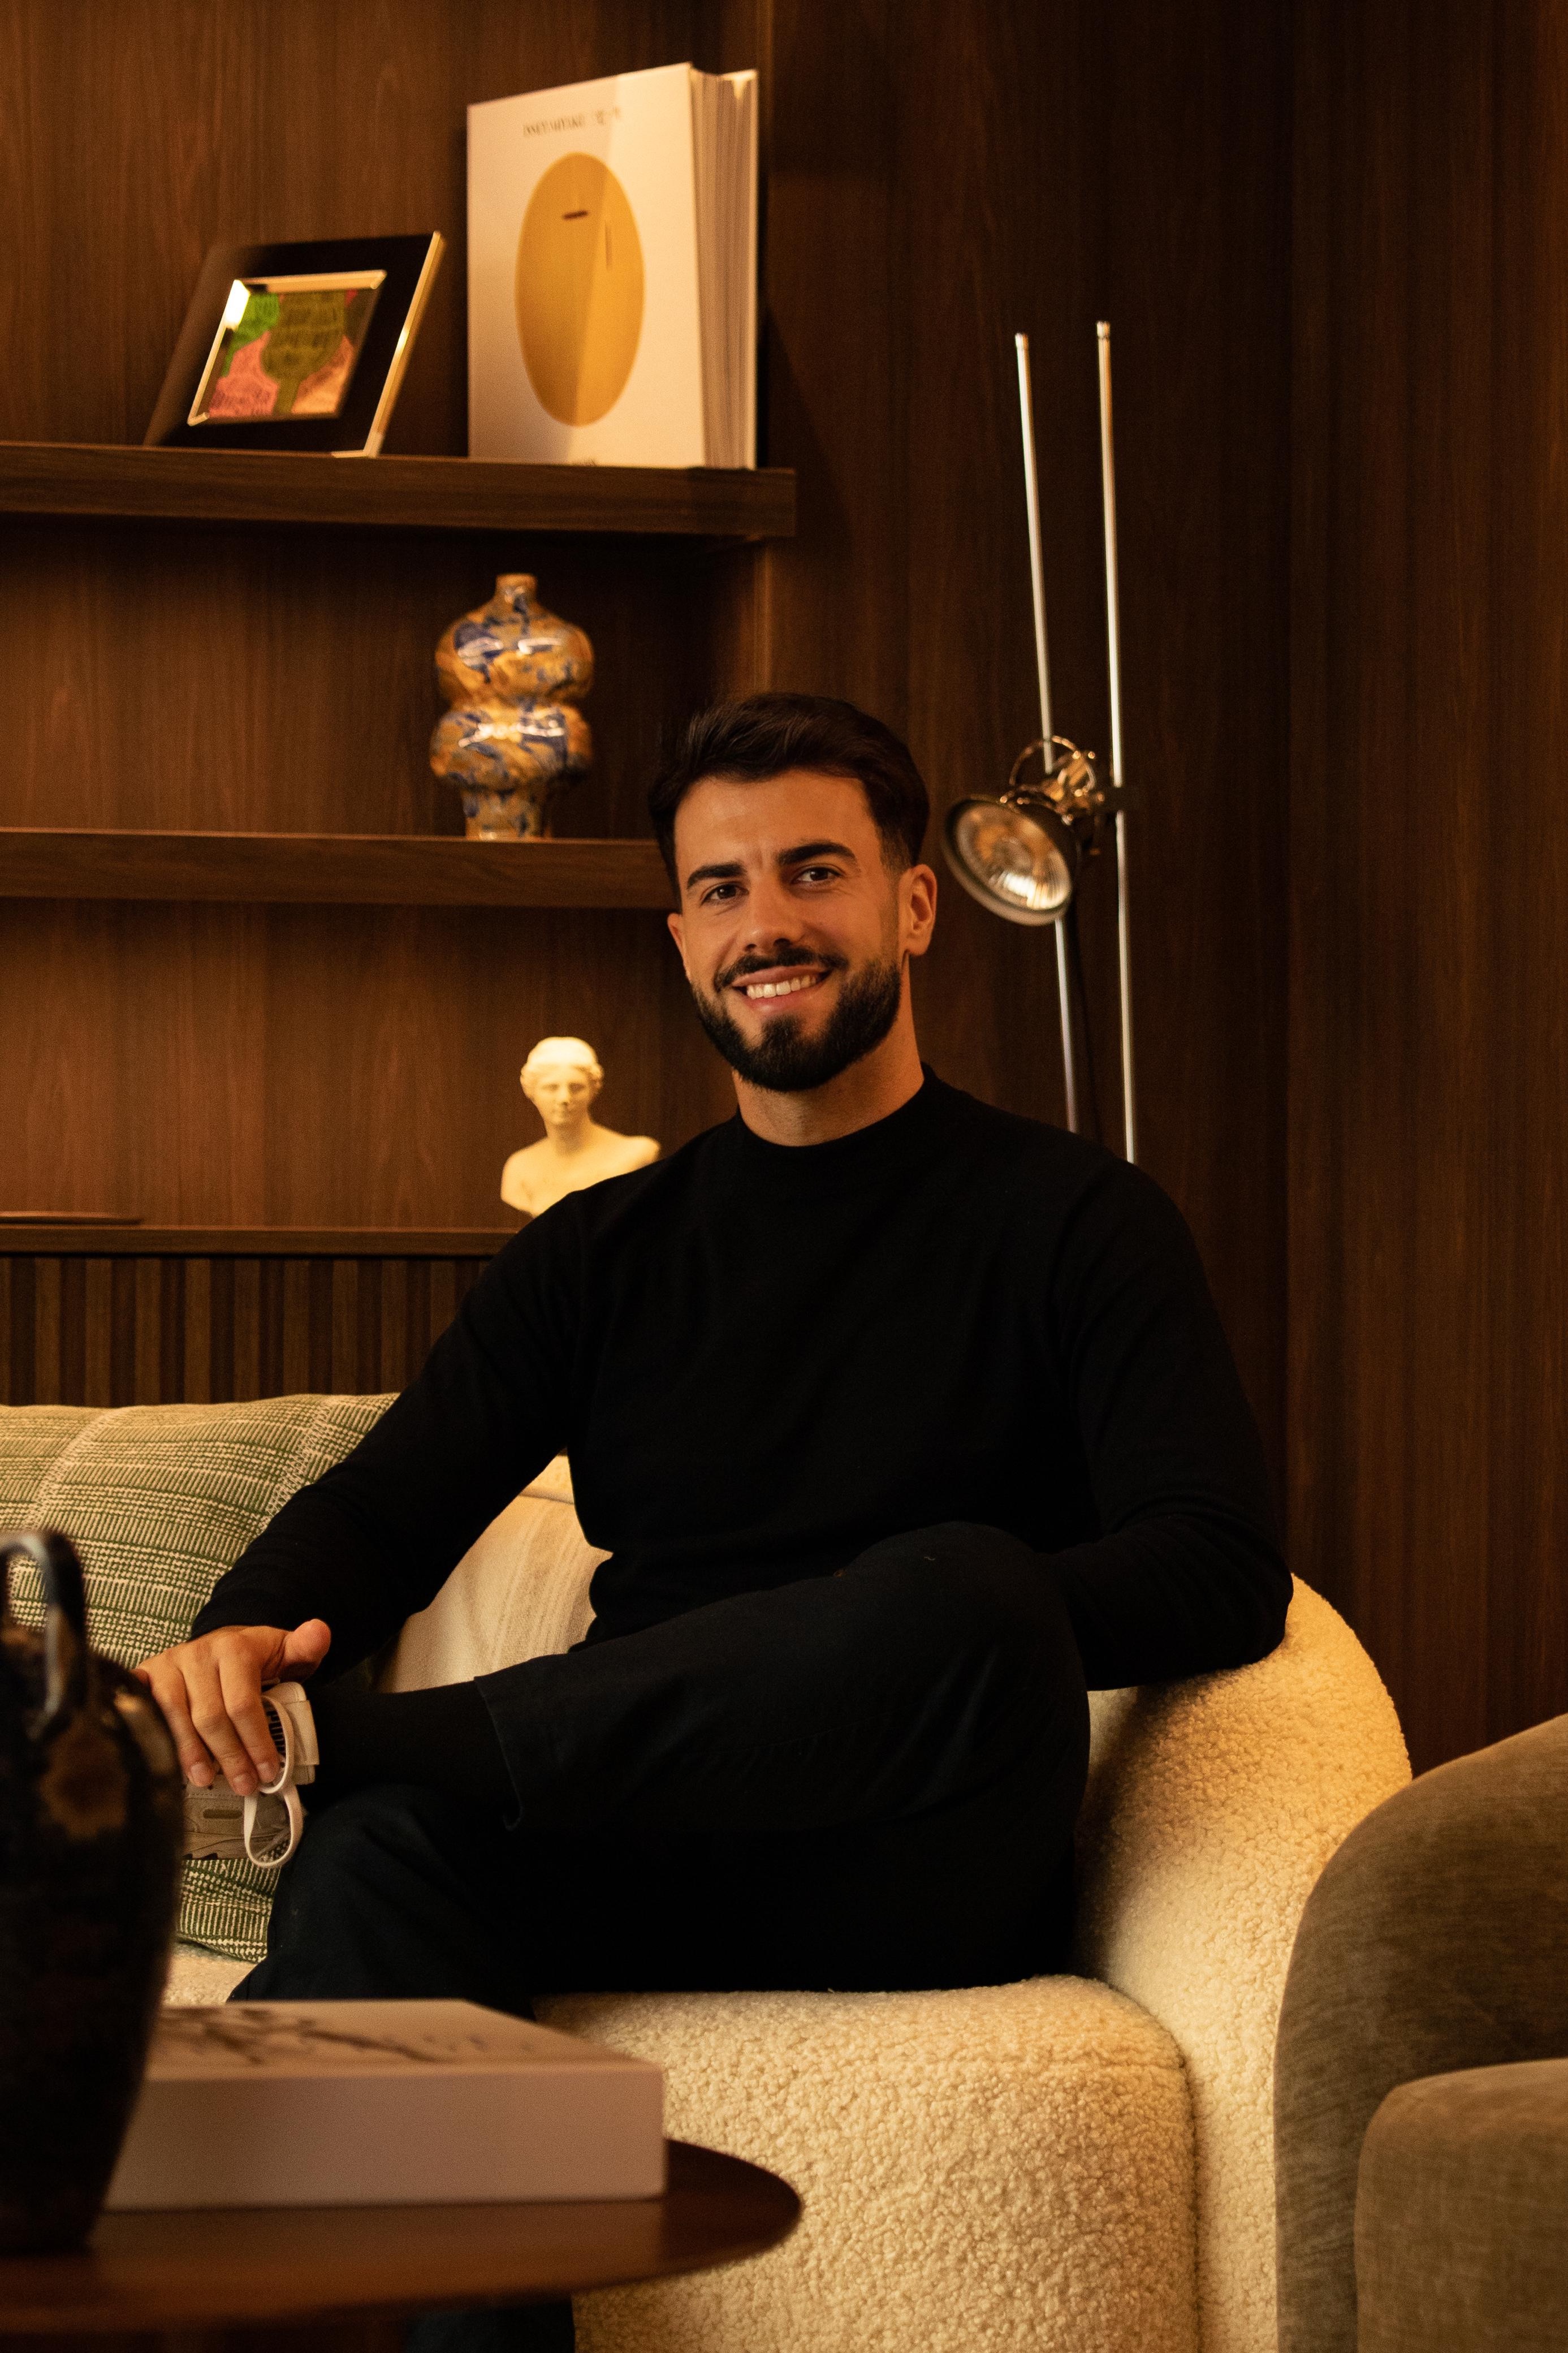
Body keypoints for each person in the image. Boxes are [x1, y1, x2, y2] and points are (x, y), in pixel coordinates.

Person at [139, 693, 1286, 2349]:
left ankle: (354, 1750)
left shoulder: (1080, 1220)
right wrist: (245, 1635)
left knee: (960, 1585)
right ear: (681, 938)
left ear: (912, 903)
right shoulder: (598, 1254)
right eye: (722, 888)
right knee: (381, 1862)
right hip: (638, 1817)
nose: (766, 924)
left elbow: (1221, 1566)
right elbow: (390, 1499)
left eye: (813, 872)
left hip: (916, 1844)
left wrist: (964, 1619)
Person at [499, 1036, 659, 1217]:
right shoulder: (519, 1168)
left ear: (593, 1090)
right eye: (551, 1088)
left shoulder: (637, 1154)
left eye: (576, 1087)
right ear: (531, 1092)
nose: (564, 1098)